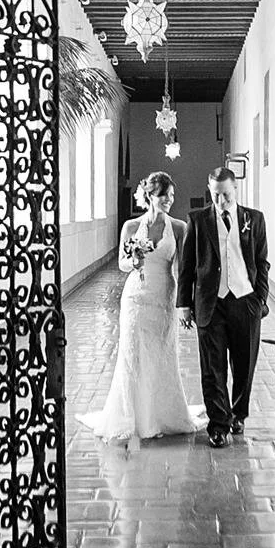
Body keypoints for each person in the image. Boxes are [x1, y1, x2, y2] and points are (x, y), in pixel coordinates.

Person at [78, 171, 205, 443]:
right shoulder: (131, 227)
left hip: (164, 295)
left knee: (162, 352)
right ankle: (133, 415)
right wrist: (133, 262)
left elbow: (183, 270)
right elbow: (123, 263)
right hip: (135, 297)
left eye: (171, 196)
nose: (169, 201)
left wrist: (185, 304)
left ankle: (162, 414)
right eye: (163, 196)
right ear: (149, 196)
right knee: (133, 353)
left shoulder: (180, 228)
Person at [176, 164, 270, 447]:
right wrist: (183, 304)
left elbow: (262, 262)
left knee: (244, 365)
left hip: (245, 302)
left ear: (235, 189)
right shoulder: (198, 220)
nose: (221, 201)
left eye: (226, 195)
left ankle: (238, 414)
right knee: (212, 368)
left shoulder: (255, 219)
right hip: (210, 303)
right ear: (210, 191)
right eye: (215, 195)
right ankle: (218, 424)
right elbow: (187, 265)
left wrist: (260, 299)